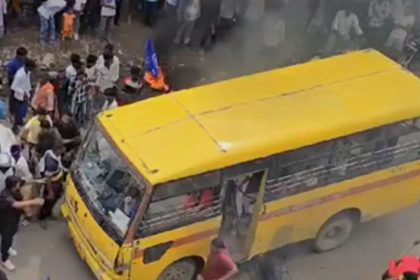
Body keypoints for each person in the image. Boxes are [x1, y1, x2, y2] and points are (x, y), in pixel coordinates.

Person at [0, 176, 44, 271]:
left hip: (15, 218)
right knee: (6, 239)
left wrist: (38, 180)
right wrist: (35, 201)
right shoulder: (5, 196)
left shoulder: (15, 187)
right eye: (18, 184)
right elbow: (16, 204)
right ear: (14, 186)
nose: (20, 185)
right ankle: (4, 259)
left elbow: (26, 180)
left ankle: (8, 247)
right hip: (6, 221)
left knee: (13, 233)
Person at [37, 149, 63, 229]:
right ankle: (42, 218)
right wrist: (50, 191)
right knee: (48, 200)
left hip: (58, 180)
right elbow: (48, 179)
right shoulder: (51, 163)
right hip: (52, 184)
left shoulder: (51, 152)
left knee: (56, 198)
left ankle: (49, 213)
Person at [10, 59, 36, 133]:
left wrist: (29, 91)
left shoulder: (27, 72)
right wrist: (22, 92)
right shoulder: (19, 74)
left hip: (25, 93)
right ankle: (16, 125)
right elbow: (13, 87)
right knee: (18, 110)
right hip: (19, 95)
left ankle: (20, 121)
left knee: (23, 110)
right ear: (28, 67)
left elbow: (27, 83)